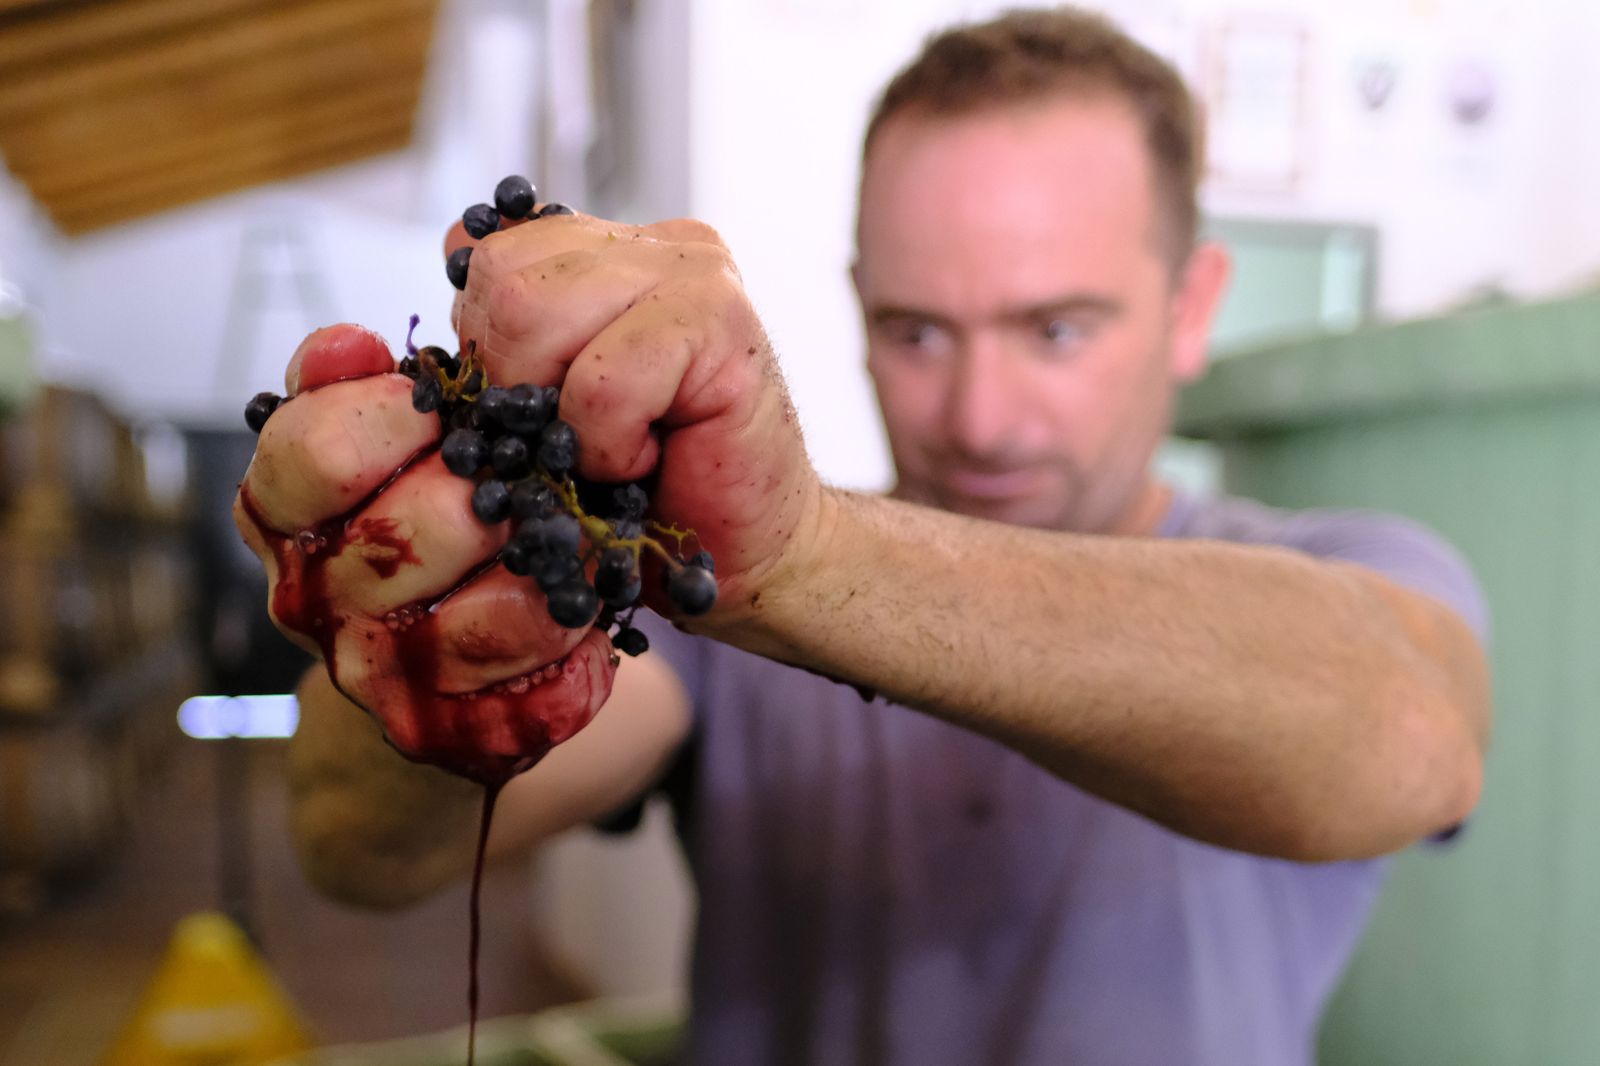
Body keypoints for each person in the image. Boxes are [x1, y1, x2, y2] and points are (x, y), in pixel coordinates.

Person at [238, 8, 1491, 1064]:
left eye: (1056, 330)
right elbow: (353, 848)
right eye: (916, 332)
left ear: (1190, 305)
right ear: (854, 307)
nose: (980, 418)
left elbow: (1410, 733)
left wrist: (808, 558)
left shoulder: (1336, 568)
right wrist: (418, 613)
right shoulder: (703, 595)